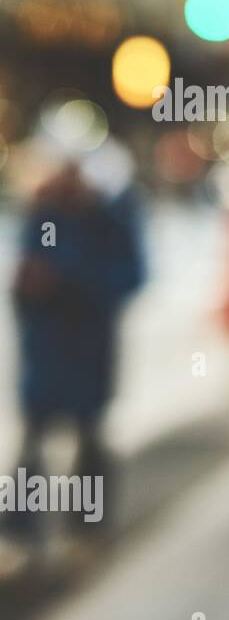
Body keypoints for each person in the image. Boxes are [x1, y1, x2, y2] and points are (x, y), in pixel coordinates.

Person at [10, 159, 144, 542]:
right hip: (48, 345)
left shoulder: (109, 219)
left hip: (87, 345)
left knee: (89, 434)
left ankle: (88, 524)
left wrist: (71, 284)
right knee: (36, 435)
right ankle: (22, 530)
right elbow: (28, 269)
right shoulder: (46, 214)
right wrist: (29, 289)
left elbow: (128, 275)